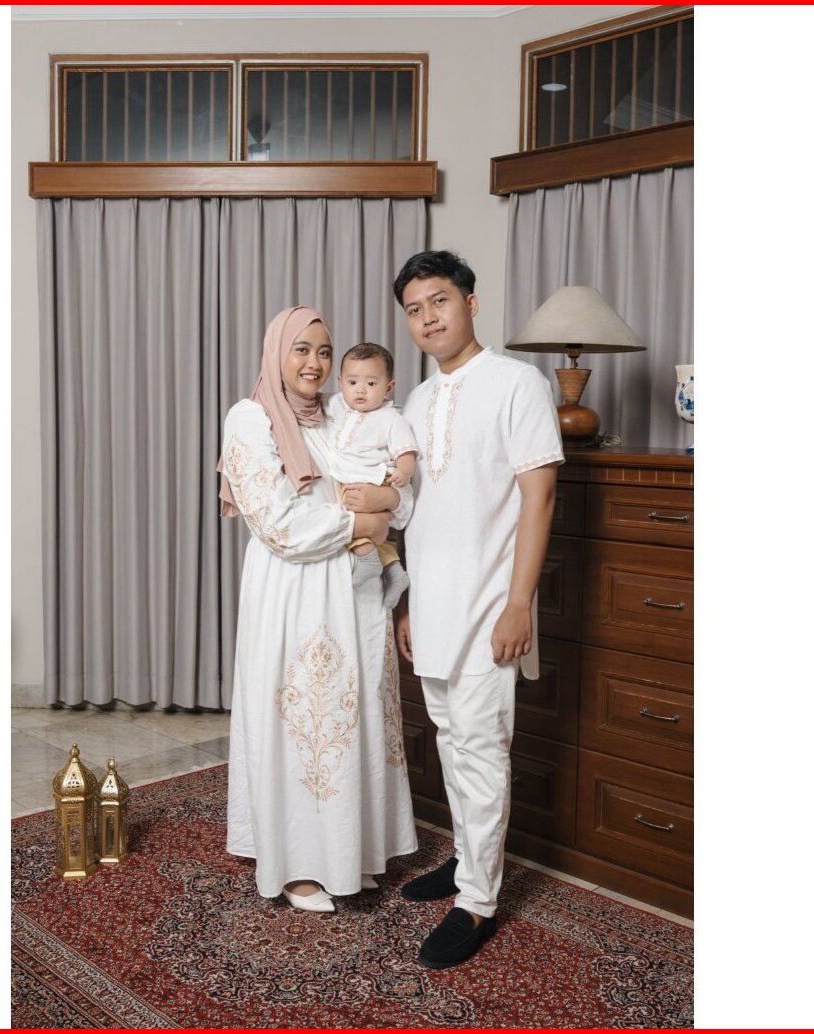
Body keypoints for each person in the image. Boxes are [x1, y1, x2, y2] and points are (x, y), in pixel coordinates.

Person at [391, 251, 563, 968]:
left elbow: (539, 497)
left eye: (440, 300)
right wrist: (406, 600)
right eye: (415, 309)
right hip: (431, 605)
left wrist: (520, 604)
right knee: (449, 741)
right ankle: (467, 861)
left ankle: (478, 904)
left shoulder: (519, 383)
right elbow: (415, 512)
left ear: (471, 302)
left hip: (491, 605)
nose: (429, 317)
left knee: (483, 749)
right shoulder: (415, 403)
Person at [218, 305, 418, 914]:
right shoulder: (251, 417)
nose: (315, 363)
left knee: (355, 719)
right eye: (301, 349)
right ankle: (298, 862)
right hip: (295, 592)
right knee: (304, 723)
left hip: (356, 591)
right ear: (275, 352)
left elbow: (404, 497)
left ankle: (352, 852)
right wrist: (365, 521)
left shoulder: (340, 415)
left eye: (324, 351)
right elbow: (277, 522)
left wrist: (386, 502)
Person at [321, 342, 416, 610]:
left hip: (375, 479)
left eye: (372, 384)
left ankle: (367, 562)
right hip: (347, 480)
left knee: (354, 523)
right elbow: (312, 402)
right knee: (355, 523)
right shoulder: (336, 405)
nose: (360, 390)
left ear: (388, 387)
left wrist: (404, 471)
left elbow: (407, 450)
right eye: (352, 382)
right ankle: (394, 570)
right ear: (340, 383)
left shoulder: (390, 419)